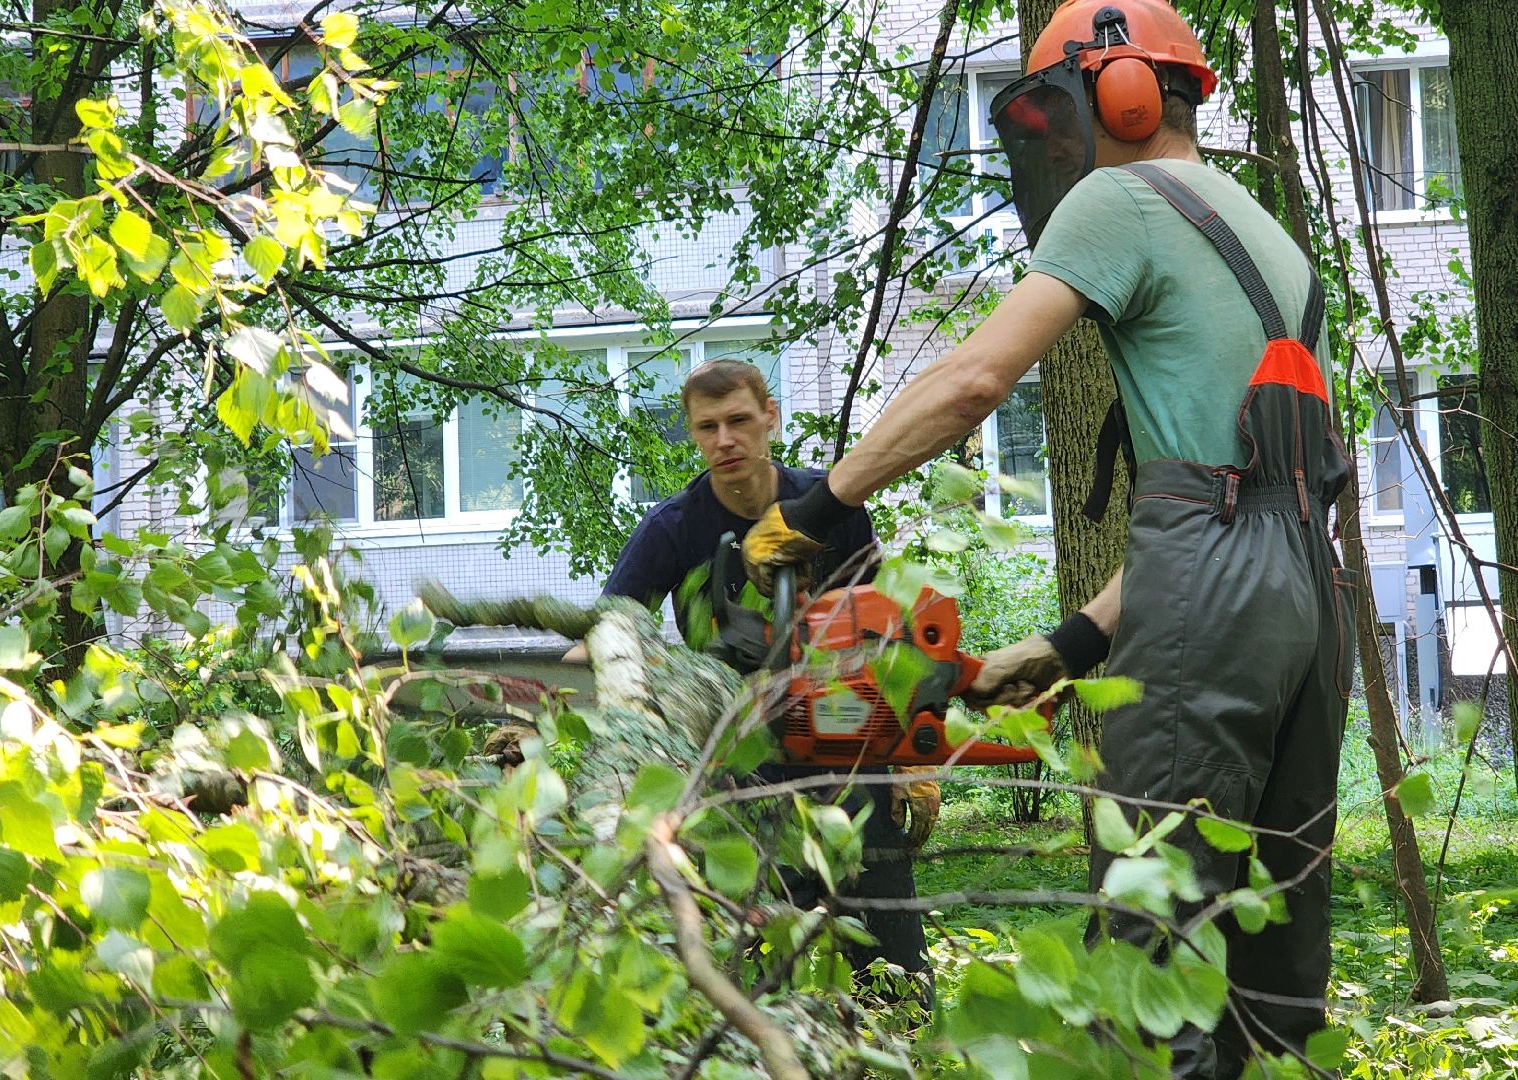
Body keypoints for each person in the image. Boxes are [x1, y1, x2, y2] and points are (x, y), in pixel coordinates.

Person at [739, 1, 1352, 1075]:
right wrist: (1074, 643)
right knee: (1271, 952)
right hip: (1309, 586)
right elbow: (1240, 500)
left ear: (1121, 93)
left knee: (1152, 937)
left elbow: (974, 380)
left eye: (1056, 112)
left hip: (1216, 583)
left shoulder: (1121, 198)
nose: (1053, 144)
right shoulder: (1271, 239)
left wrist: (820, 503)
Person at [567, 356, 938, 990]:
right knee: (766, 967)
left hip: (848, 755)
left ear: (772, 418)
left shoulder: (832, 506)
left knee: (893, 965)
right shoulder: (673, 530)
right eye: (707, 426)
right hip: (740, 769)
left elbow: (885, 639)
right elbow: (609, 629)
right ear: (691, 433)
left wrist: (910, 756)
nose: (725, 440)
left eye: (739, 420)